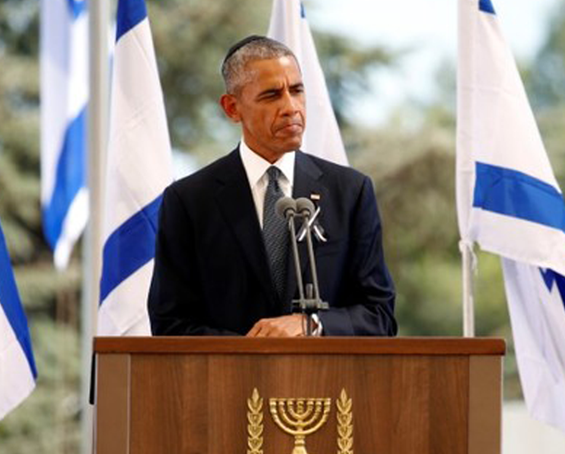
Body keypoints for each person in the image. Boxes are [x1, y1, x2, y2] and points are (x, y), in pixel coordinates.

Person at [148, 36, 396, 337]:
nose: (291, 107)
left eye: (297, 90)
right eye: (271, 95)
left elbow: (379, 314)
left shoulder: (350, 192)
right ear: (231, 108)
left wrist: (312, 325)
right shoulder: (188, 200)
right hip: (228, 381)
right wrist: (253, 352)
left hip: (328, 382)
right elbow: (171, 323)